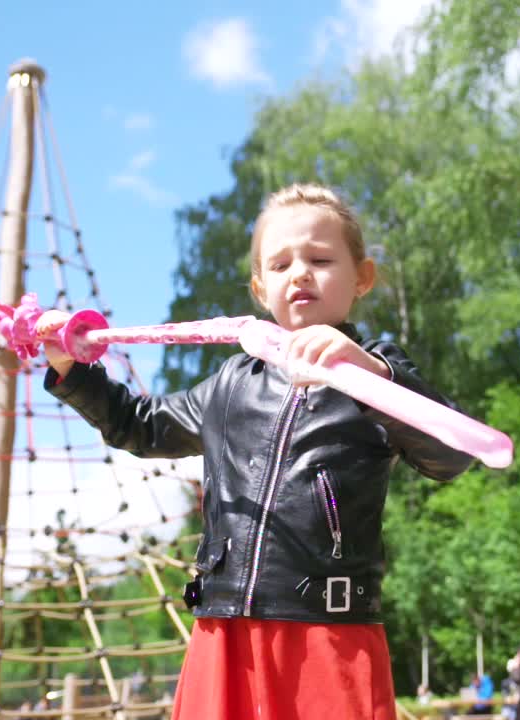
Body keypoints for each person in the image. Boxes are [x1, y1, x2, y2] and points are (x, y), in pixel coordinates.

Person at [38, 183, 477, 720]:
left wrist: (371, 372)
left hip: (326, 634)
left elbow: (451, 455)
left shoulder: (379, 372)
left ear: (361, 278)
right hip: (223, 632)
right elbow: (140, 426)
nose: (300, 273)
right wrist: (71, 369)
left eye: (320, 258)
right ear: (259, 287)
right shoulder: (231, 382)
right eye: (281, 264)